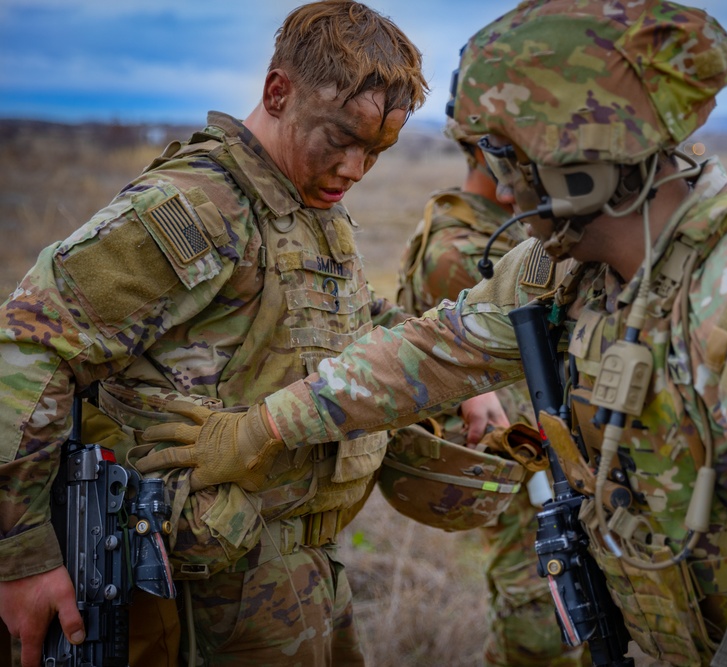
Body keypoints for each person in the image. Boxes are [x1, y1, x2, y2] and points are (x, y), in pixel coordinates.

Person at [135, 0, 727, 664]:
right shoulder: (567, 268)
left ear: (582, 157)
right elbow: (431, 351)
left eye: (504, 151)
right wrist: (261, 428)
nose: (493, 181)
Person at [0, 3, 501, 666]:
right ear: (277, 92)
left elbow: (351, 317)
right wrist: (23, 556)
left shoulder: (306, 201)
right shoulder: (199, 207)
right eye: (340, 139)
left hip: (294, 573)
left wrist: (451, 387)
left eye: (376, 151)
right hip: (193, 597)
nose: (355, 169)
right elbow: (29, 345)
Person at [392, 117, 585, 667]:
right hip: (527, 482)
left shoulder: (498, 228)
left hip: (549, 473)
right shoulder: (462, 249)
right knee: (541, 636)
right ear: (484, 150)